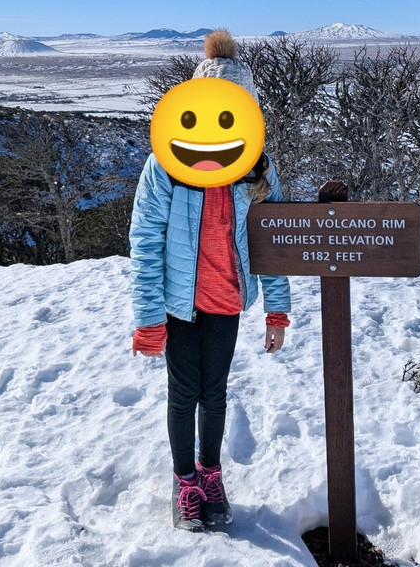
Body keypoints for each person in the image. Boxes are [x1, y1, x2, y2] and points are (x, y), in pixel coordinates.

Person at [129, 30, 292, 533]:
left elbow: (272, 245)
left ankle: (211, 474)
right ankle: (185, 484)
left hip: (225, 300)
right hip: (179, 305)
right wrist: (149, 318)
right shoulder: (166, 167)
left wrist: (277, 309)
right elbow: (145, 243)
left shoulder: (258, 171)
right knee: (183, 394)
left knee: (215, 393)